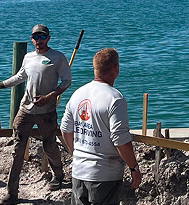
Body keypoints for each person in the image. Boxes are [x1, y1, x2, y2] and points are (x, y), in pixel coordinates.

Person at [0, 24, 71, 203]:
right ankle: (12, 192)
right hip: (25, 110)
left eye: (43, 37)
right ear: (32, 39)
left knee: (49, 146)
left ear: (48, 38)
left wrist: (50, 97)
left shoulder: (58, 57)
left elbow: (66, 81)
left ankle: (58, 175)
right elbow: (20, 77)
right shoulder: (28, 57)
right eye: (36, 37)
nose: (39, 40)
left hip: (47, 111)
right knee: (18, 150)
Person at [60, 48, 142, 205]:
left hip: (79, 171)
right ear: (116, 68)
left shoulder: (78, 94)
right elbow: (120, 140)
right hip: (105, 175)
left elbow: (65, 130)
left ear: (95, 68)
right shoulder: (115, 99)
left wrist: (75, 153)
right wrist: (134, 168)